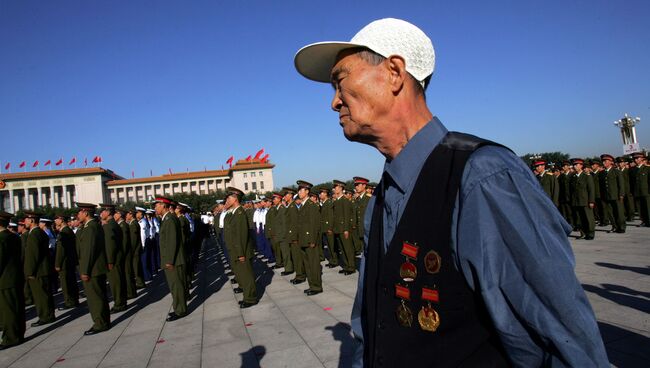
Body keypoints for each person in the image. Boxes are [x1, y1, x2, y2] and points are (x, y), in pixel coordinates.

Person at [294, 17, 608, 366]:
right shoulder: (383, 195)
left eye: (340, 81)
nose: (334, 102)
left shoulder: (483, 176)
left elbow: (560, 342)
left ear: (395, 72)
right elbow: (370, 324)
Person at [75, 202, 110, 335]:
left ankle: (100, 323)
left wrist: (85, 271)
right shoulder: (91, 226)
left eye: (79, 212)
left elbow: (88, 251)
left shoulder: (90, 228)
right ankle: (103, 321)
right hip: (96, 268)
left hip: (93, 269)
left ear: (85, 213)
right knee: (99, 296)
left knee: (95, 298)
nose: (78, 215)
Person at [222, 188, 258, 308]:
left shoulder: (240, 213)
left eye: (229, 198)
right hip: (235, 250)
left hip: (241, 250)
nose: (227, 200)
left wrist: (241, 253)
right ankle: (247, 295)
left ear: (235, 198)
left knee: (246, 276)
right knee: (241, 275)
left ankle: (251, 298)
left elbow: (241, 235)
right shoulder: (232, 213)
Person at [154, 197, 187, 321]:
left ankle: (180, 310)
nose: (155, 208)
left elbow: (172, 242)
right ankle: (179, 307)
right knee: (175, 286)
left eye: (157, 205)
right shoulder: (167, 219)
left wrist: (169, 261)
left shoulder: (170, 219)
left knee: (176, 286)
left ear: (163, 206)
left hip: (173, 261)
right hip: (172, 260)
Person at [23, 211, 55, 326]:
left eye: (26, 220)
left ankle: (45, 316)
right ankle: (49, 315)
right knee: (46, 294)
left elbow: (33, 255)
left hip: (38, 271)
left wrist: (29, 271)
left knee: (40, 296)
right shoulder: (40, 232)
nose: (24, 222)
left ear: (31, 221)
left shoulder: (34, 234)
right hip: (44, 269)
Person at [0, 211, 25, 350]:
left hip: (5, 279)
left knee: (8, 310)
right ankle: (18, 334)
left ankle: (10, 338)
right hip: (15, 276)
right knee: (17, 307)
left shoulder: (1, 238)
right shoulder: (14, 237)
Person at [295, 180, 322, 295]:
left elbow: (315, 224)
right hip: (303, 240)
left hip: (310, 241)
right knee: (307, 265)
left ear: (307, 191)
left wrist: (312, 240)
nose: (299, 193)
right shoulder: (303, 205)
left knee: (313, 264)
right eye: (299, 190)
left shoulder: (311, 205)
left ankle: (316, 287)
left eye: (301, 190)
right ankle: (312, 285)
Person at [99, 204, 127, 313]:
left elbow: (110, 245)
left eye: (103, 211)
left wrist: (110, 260)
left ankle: (119, 304)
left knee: (115, 282)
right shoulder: (113, 224)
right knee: (118, 281)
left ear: (108, 212)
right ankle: (121, 301)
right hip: (117, 257)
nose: (101, 214)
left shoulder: (108, 226)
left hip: (113, 259)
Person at [54, 213, 80, 309]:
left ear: (61, 220)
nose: (55, 221)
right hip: (69, 261)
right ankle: (74, 299)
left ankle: (69, 301)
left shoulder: (64, 232)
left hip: (65, 262)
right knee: (71, 281)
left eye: (56, 219)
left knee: (66, 283)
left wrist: (57, 263)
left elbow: (61, 250)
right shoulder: (68, 230)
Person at [599, 154, 626, 233]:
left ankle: (621, 227)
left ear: (611, 162)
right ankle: (614, 226)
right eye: (603, 161)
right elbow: (601, 186)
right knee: (610, 213)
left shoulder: (616, 171)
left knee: (619, 212)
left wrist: (621, 194)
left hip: (616, 195)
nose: (604, 163)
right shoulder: (602, 173)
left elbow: (621, 184)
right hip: (606, 196)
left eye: (606, 161)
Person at [569, 159, 596, 240]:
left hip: (585, 201)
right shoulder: (573, 177)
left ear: (581, 166)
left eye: (577, 165)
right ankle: (583, 233)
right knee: (579, 219)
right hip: (576, 201)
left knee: (588, 218)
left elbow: (591, 190)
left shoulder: (587, 176)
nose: (575, 166)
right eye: (574, 165)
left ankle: (590, 233)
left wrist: (591, 201)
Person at [632, 152, 649, 226]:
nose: (636, 160)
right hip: (637, 192)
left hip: (646, 191)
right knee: (640, 208)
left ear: (642, 159)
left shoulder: (647, 169)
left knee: (647, 207)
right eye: (635, 159)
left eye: (637, 158)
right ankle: (643, 221)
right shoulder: (633, 170)